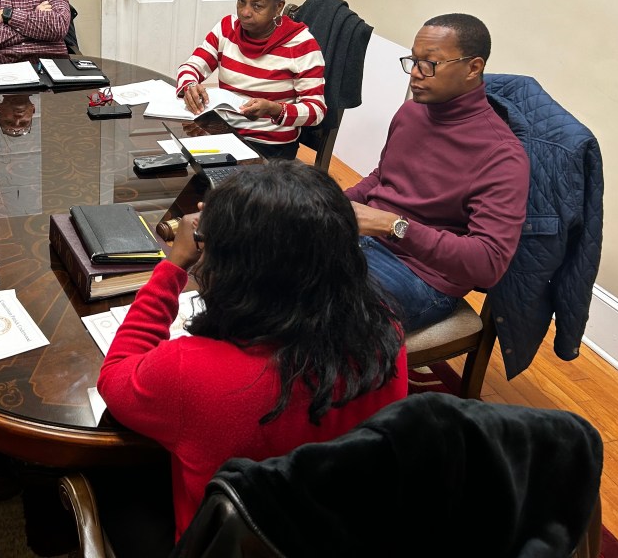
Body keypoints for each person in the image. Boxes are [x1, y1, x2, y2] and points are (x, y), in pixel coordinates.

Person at [97, 162, 407, 553]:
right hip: (336, 531)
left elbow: (115, 377)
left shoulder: (191, 369)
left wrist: (172, 266)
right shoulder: (386, 332)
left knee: (110, 453)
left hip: (222, 543)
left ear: (231, 270)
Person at [345, 13, 529, 332]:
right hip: (365, 240)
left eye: (428, 64)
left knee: (316, 315)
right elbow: (383, 177)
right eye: (413, 61)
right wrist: (330, 202)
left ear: (473, 67)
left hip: (421, 275)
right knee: (255, 260)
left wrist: (394, 226)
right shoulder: (412, 111)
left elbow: (488, 263)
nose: (415, 75)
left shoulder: (502, 155)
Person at [176, 0, 326, 160]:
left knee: (216, 184)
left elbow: (316, 110)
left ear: (278, 7)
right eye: (241, 1)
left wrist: (273, 109)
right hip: (223, 132)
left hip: (270, 148)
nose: (245, 12)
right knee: (177, 164)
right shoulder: (226, 28)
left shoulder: (301, 46)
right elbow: (191, 66)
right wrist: (190, 85)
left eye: (257, 6)